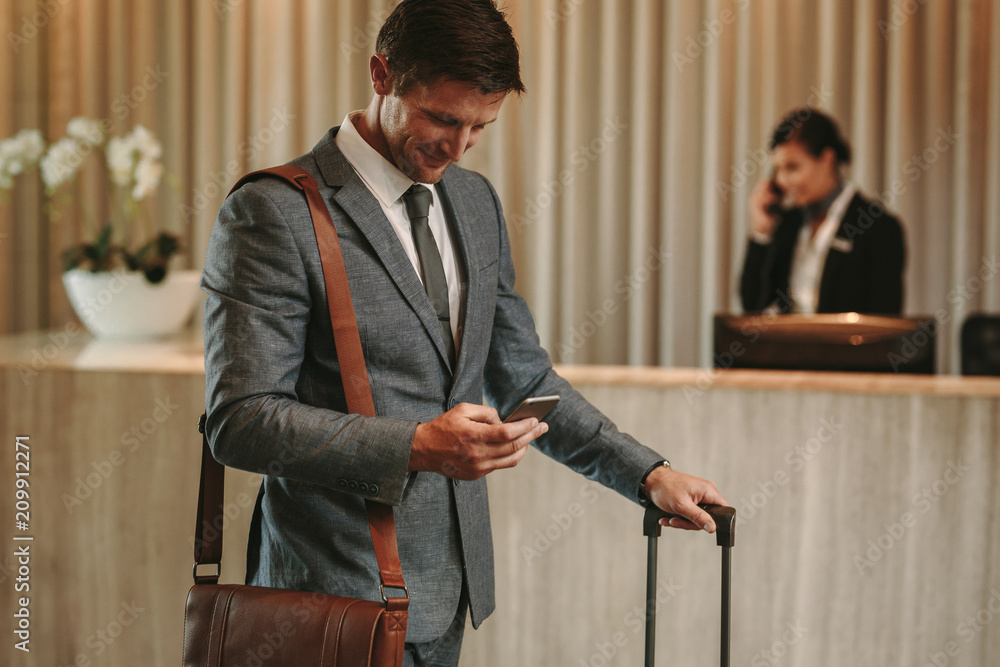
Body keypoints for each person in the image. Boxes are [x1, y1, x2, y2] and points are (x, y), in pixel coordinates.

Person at [201, 1, 726, 663]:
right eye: (442, 118)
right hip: (324, 602)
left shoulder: (475, 203)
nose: (455, 146)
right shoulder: (272, 211)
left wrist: (648, 474)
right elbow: (239, 419)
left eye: (480, 126)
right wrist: (416, 445)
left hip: (446, 594)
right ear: (382, 75)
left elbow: (524, 378)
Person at [740, 107, 906, 316]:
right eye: (778, 170)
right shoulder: (789, 223)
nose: (781, 181)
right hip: (790, 347)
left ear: (827, 159)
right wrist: (761, 232)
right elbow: (753, 305)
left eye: (792, 168)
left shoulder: (877, 226)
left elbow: (885, 322)